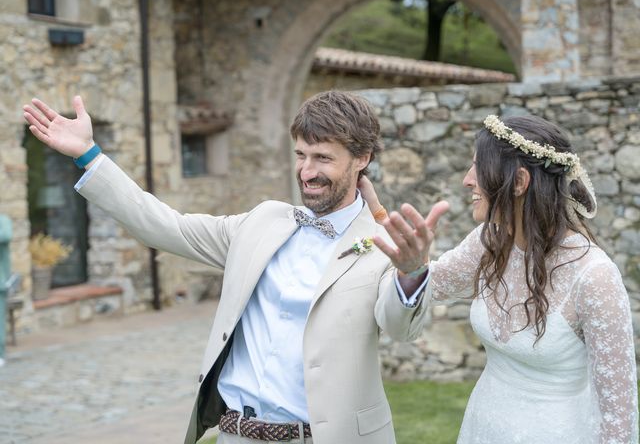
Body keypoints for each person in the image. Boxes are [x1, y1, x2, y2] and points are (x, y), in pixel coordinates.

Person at [23, 91, 449, 444]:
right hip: (235, 435)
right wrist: (88, 156)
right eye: (301, 155)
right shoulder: (262, 221)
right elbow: (165, 226)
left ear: (362, 159)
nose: (307, 171)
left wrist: (412, 272)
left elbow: (401, 329)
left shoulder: (385, 244)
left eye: (322, 158)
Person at [362, 114, 639, 443]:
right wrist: (379, 217)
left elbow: (619, 417)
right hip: (483, 429)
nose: (467, 180)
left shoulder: (594, 276)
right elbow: (424, 283)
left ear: (520, 182)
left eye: (478, 168)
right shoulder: (487, 242)